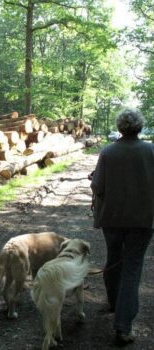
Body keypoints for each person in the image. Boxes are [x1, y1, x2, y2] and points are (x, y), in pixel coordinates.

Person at [90, 108, 154, 346]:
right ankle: (123, 326)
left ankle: (115, 303)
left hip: (112, 219)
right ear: (140, 127)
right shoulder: (151, 151)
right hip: (142, 221)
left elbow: (97, 187)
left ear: (119, 127)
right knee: (132, 269)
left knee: (114, 258)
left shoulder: (108, 152)